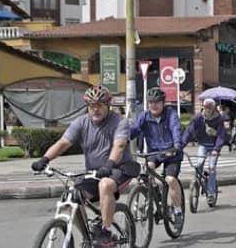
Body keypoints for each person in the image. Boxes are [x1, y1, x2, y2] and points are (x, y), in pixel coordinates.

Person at [31, 85, 139, 246]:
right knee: (73, 195)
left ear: (107, 106)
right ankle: (87, 237)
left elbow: (120, 146)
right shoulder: (81, 123)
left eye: (100, 105)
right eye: (91, 106)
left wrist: (109, 165)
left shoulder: (119, 122)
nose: (95, 109)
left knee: (106, 184)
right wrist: (44, 159)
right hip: (95, 172)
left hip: (120, 169)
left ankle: (105, 230)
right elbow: (63, 143)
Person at [130, 87, 185, 223]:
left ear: (163, 103)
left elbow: (176, 129)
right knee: (148, 168)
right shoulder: (144, 116)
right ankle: (156, 195)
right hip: (155, 152)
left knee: (170, 180)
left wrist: (177, 145)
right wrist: (121, 141)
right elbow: (134, 130)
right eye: (150, 102)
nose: (153, 105)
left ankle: (177, 210)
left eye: (157, 102)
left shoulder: (171, 115)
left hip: (172, 153)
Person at [180, 98, 225, 206]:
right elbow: (189, 131)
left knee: (211, 168)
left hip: (214, 147)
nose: (207, 110)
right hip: (203, 145)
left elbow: (221, 136)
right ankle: (197, 181)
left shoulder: (219, 119)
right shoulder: (198, 118)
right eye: (206, 108)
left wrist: (216, 149)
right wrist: (181, 146)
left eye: (210, 108)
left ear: (213, 108)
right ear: (203, 107)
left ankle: (211, 194)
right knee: (199, 163)